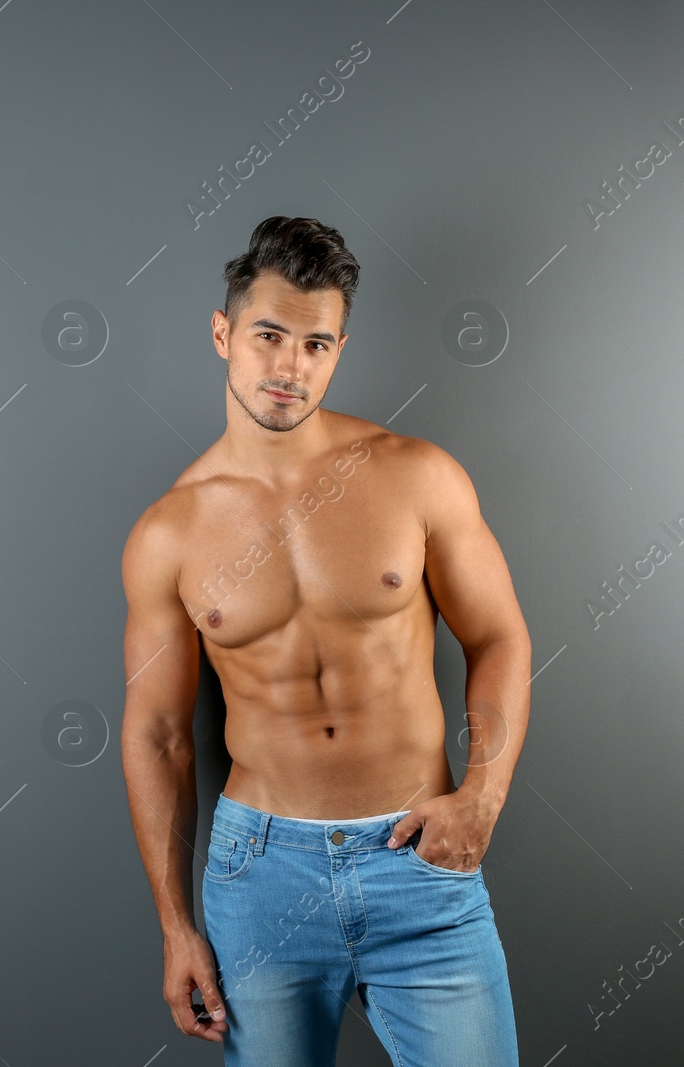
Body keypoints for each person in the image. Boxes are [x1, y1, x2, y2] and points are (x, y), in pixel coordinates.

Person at [120, 215, 530, 1066]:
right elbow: (159, 735)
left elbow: (499, 638)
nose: (289, 366)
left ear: (340, 349)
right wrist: (174, 926)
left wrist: (482, 797)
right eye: (269, 336)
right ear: (223, 333)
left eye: (317, 344)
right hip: (260, 874)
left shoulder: (417, 474)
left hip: (419, 862)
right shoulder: (170, 531)